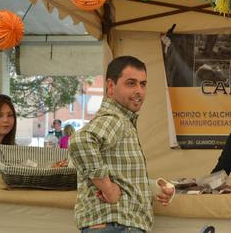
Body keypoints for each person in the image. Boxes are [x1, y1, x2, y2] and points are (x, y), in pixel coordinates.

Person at [69, 56, 175, 233]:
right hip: (116, 226)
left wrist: (153, 187)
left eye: (143, 84)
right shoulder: (115, 119)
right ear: (111, 87)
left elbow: (122, 176)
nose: (139, 91)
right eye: (131, 83)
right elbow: (80, 141)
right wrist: (107, 187)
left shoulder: (123, 121)